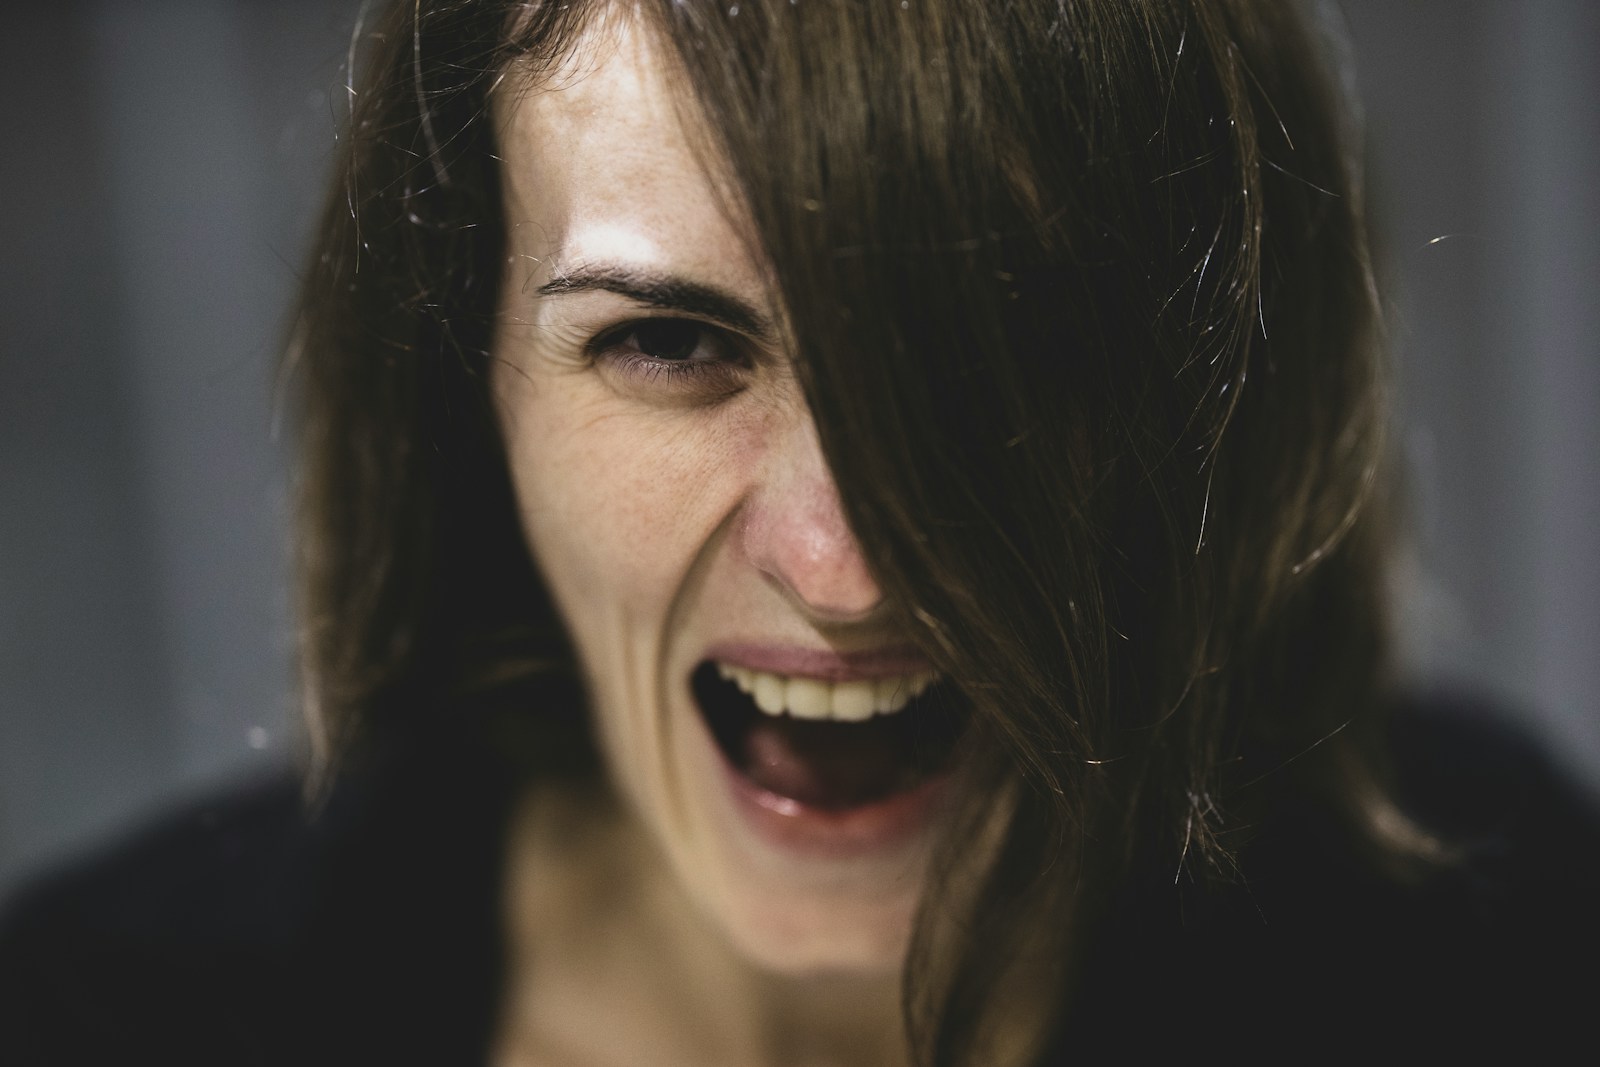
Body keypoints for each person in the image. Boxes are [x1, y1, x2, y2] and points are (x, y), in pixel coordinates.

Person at [3, 1, 1597, 1063]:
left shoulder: (1482, 933)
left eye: (996, 346)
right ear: (466, 383)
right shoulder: (105, 1017)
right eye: (670, 344)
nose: (850, 565)